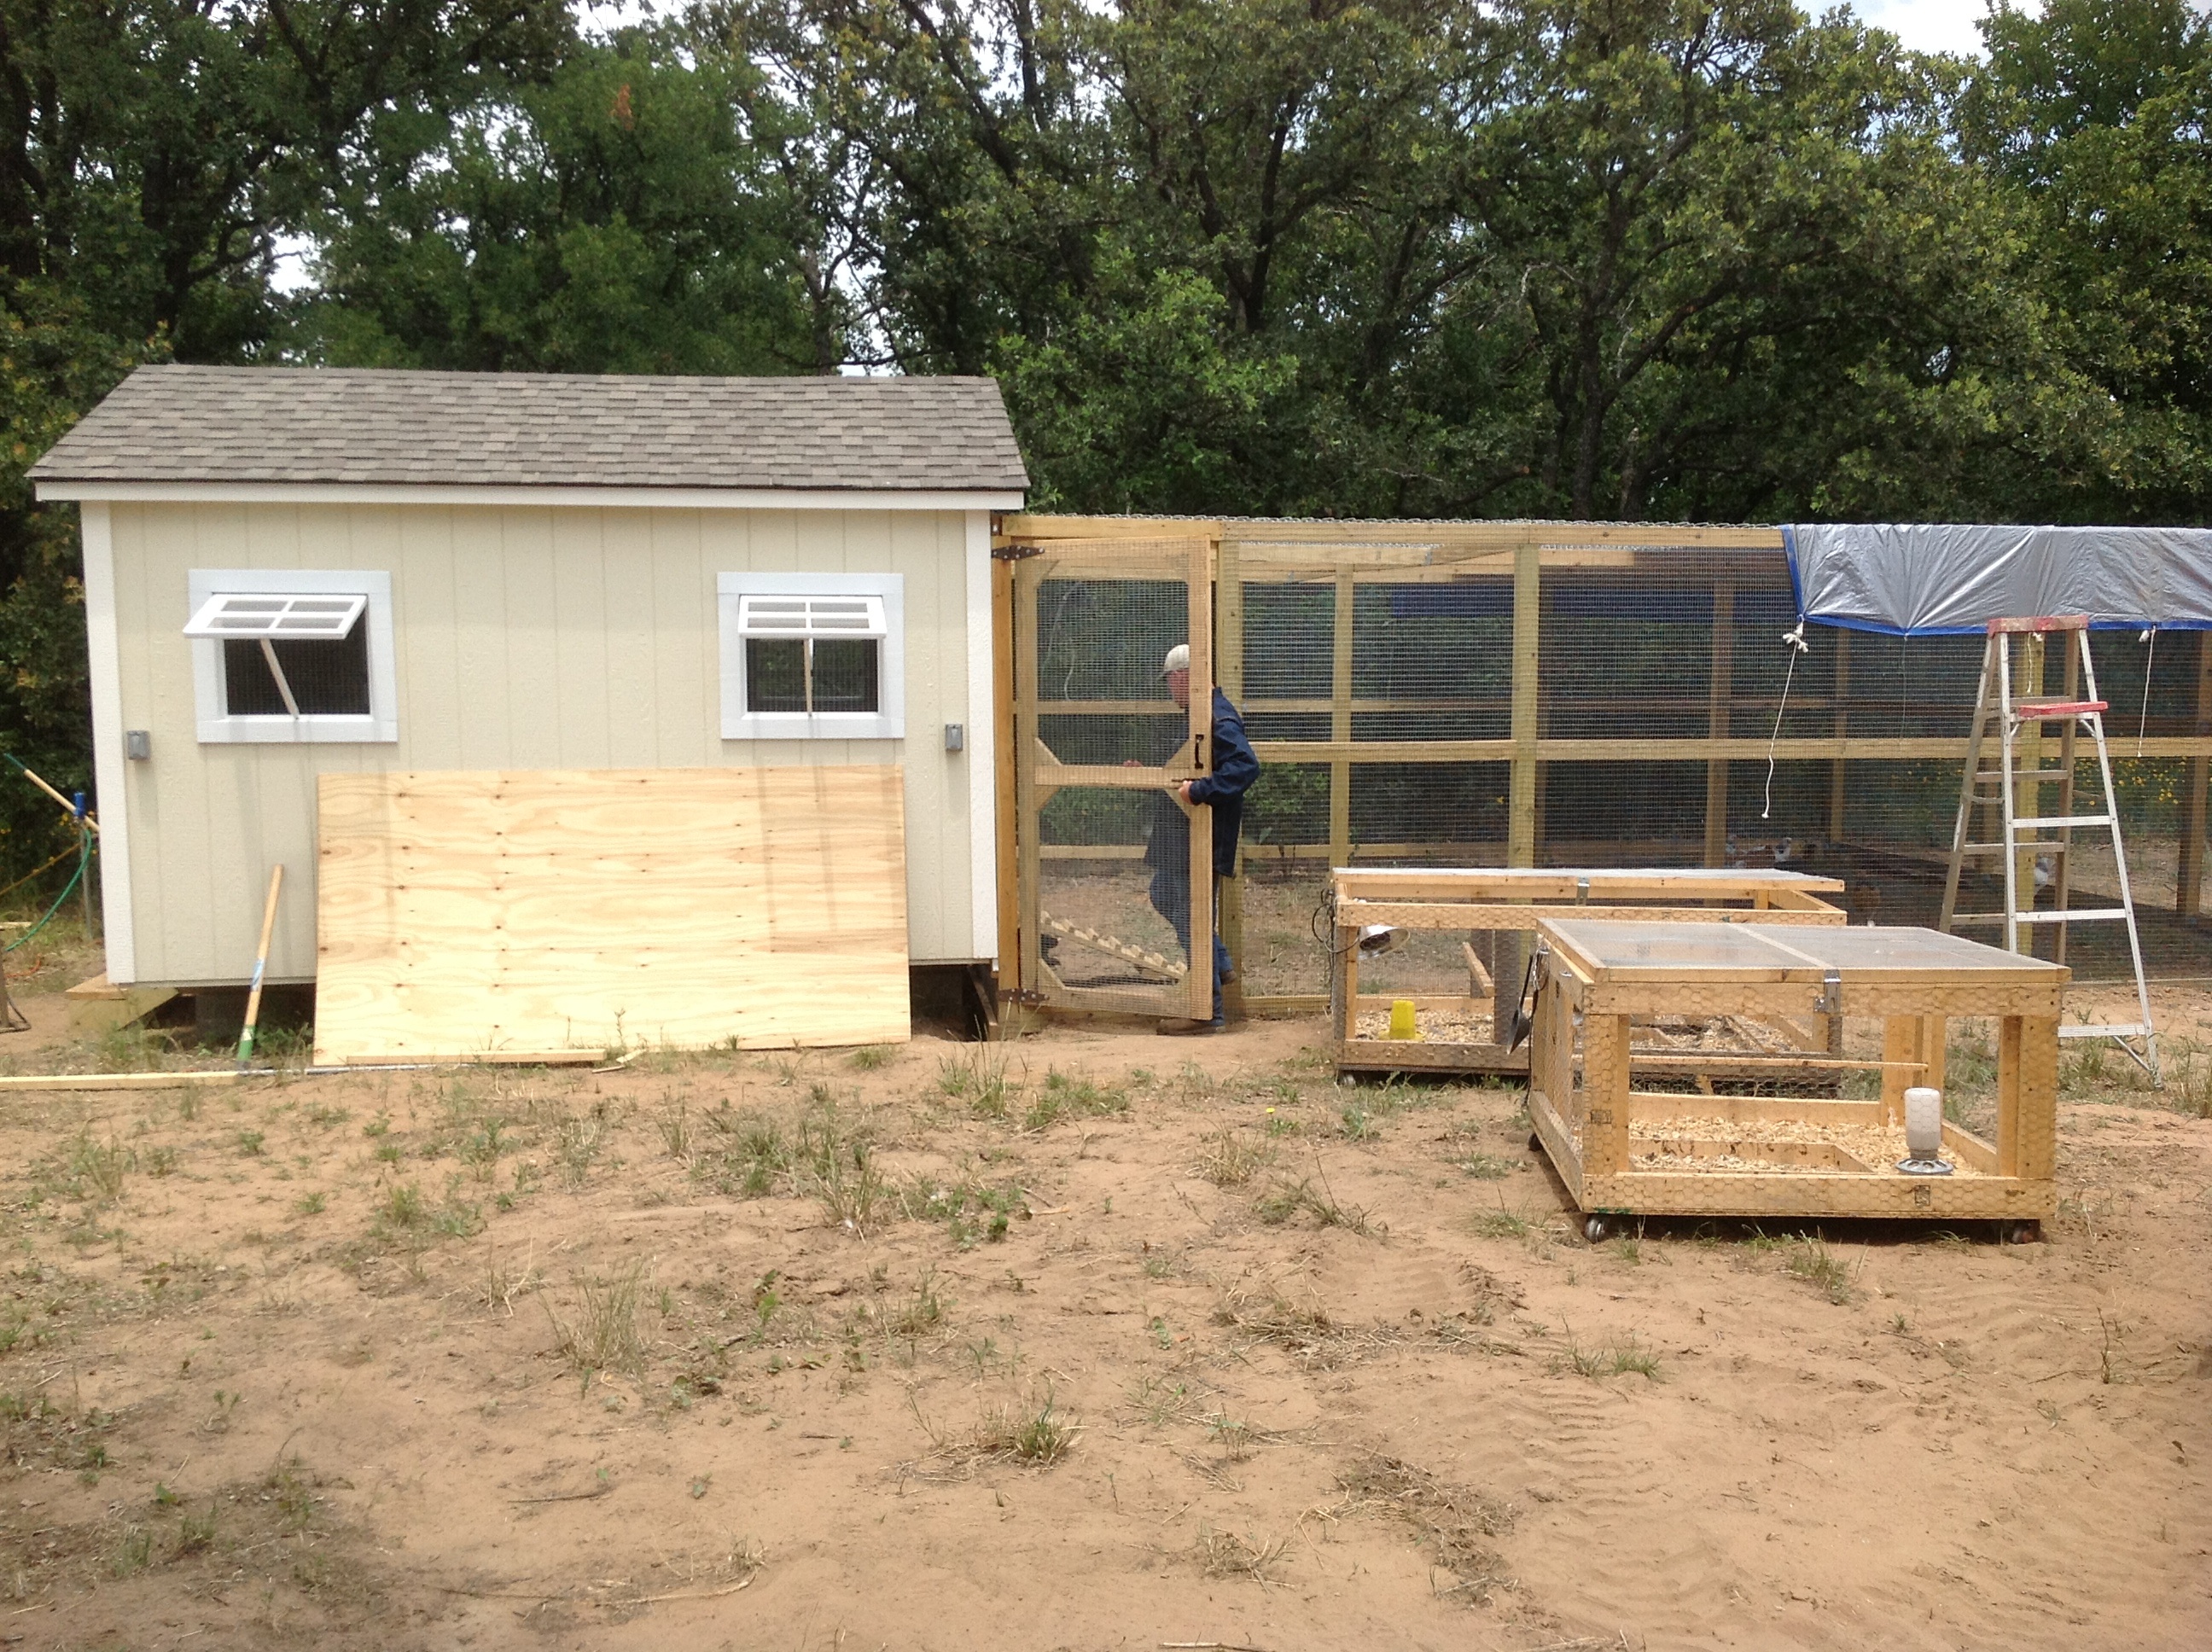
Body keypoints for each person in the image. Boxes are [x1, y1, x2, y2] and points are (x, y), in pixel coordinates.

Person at [1145, 643, 1259, 1033]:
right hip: (1183, 836)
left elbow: (1245, 766)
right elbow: (1185, 768)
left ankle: (1207, 1012)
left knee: (1192, 916)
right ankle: (1220, 963)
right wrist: (1148, 775)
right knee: (1164, 894)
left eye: (1171, 681)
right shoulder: (1197, 715)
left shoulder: (1216, 715)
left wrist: (1200, 791)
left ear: (1183, 677)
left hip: (1201, 836)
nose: (1170, 690)